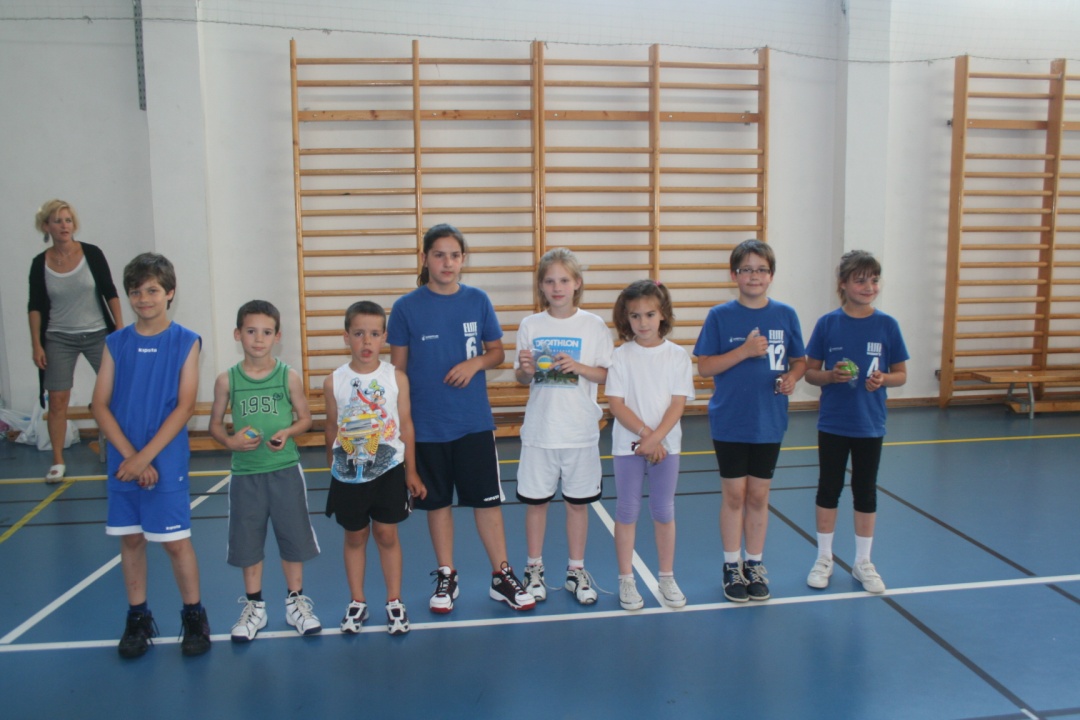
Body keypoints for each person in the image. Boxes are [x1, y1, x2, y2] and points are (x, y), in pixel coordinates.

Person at [388, 223, 535, 613]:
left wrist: (474, 364)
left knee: (486, 502)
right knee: (437, 503)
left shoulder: (477, 300)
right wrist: (399, 423)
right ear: (425, 259)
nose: (447, 262)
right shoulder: (405, 308)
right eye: (439, 255)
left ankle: (501, 575)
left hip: (472, 422)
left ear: (463, 260)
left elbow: (496, 352)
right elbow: (397, 371)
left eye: (454, 255)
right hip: (426, 425)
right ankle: (447, 574)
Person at [90, 253, 208, 659]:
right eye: (136, 291)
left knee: (175, 542)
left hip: (165, 458)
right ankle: (138, 618)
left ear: (170, 293)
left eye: (153, 290)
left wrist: (147, 458)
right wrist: (131, 457)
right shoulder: (116, 343)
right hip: (124, 460)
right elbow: (99, 405)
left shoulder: (186, 341)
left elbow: (185, 406)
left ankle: (194, 616)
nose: (144, 299)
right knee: (132, 539)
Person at [693, 239, 806, 603]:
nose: (754, 276)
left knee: (758, 495)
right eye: (746, 270)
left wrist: (793, 377)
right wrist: (743, 351)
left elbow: (799, 360)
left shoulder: (786, 314)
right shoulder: (720, 316)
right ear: (734, 275)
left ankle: (754, 563)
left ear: (771, 275)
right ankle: (731, 565)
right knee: (734, 495)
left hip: (769, 420)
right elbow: (705, 366)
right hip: (730, 419)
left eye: (761, 270)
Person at [208, 300, 322, 642]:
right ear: (237, 334)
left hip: (285, 470)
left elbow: (306, 419)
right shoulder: (227, 380)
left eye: (266, 332)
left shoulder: (289, 376)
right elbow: (215, 425)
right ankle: (255, 606)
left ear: (277, 336)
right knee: (248, 541)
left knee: (293, 536)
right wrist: (230, 441)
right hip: (246, 473)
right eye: (251, 331)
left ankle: (295, 602)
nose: (258, 339)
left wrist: (287, 432)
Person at [803, 250, 909, 594]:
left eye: (874, 280)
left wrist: (883, 379)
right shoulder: (827, 324)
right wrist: (830, 376)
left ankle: (863, 561)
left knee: (865, 490)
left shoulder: (887, 325)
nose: (869, 286)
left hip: (870, 423)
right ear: (843, 284)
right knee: (828, 488)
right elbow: (810, 373)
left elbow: (901, 374)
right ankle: (824, 557)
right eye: (860, 280)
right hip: (833, 423)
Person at [514, 248, 613, 605]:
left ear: (577, 283)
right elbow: (522, 377)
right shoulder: (530, 325)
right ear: (541, 286)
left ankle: (576, 570)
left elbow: (607, 374)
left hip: (579, 432)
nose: (557, 287)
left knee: (577, 505)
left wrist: (578, 366)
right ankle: (534, 569)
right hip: (540, 432)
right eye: (550, 281)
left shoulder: (594, 325)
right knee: (536, 504)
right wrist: (526, 370)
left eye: (564, 280)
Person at [324, 301, 426, 635]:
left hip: (389, 469)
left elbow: (406, 425)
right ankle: (357, 601)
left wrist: (411, 471)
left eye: (373, 334)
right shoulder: (334, 381)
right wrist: (332, 467)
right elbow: (330, 427)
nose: (366, 341)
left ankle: (394, 600)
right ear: (346, 337)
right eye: (358, 334)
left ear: (384, 337)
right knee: (355, 536)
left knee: (386, 534)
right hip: (349, 473)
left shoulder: (396, 378)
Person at [606, 280, 697, 611]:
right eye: (635, 316)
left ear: (663, 315)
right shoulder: (620, 356)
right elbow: (616, 404)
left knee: (663, 510)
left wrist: (656, 439)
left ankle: (667, 577)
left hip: (665, 447)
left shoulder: (677, 356)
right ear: (625, 318)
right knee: (627, 510)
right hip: (628, 445)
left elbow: (677, 404)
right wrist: (646, 435)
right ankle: (626, 579)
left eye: (649, 314)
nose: (642, 322)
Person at [28, 199, 124, 483]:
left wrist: (119, 330)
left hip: (98, 334)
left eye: (68, 220)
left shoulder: (91, 254)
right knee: (58, 400)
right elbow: (35, 306)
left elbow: (110, 292)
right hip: (58, 337)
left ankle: (122, 451)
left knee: (116, 393)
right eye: (57, 221)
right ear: (46, 226)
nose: (64, 226)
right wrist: (36, 344)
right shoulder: (39, 263)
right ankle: (57, 460)